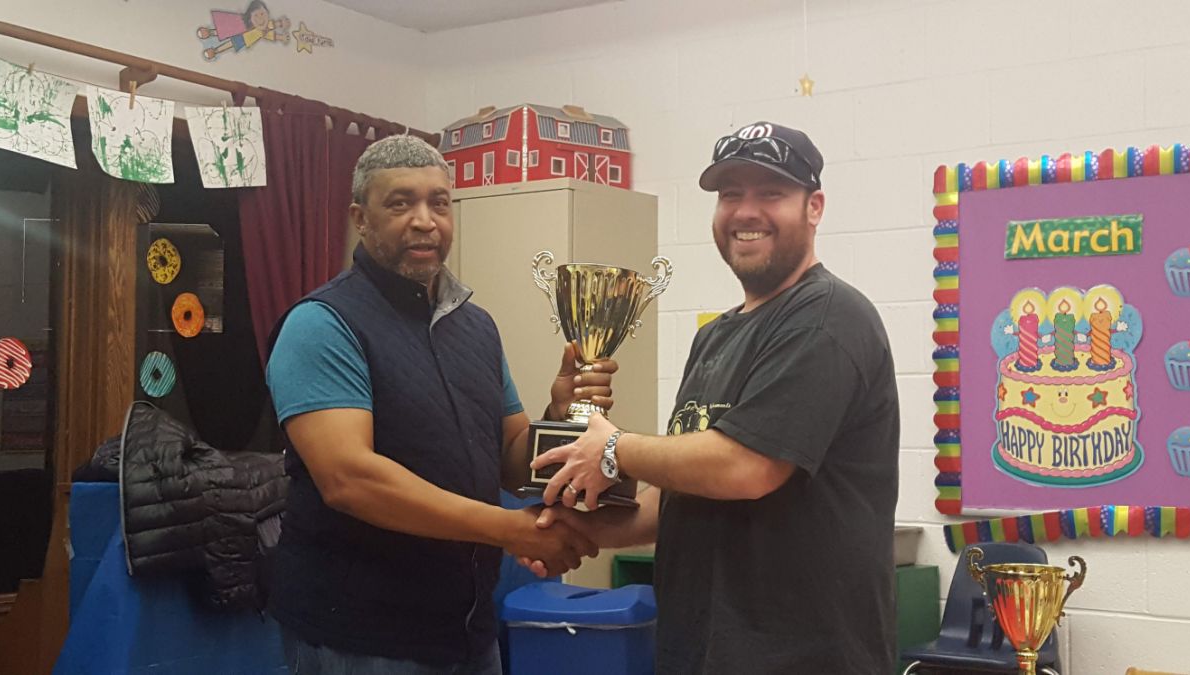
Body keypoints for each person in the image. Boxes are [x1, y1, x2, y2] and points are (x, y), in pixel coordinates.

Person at [528, 122, 900, 674]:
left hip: (801, 659)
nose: (746, 211)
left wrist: (612, 447)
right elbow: (683, 491)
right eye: (730, 194)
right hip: (699, 650)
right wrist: (579, 530)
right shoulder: (716, 337)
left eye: (770, 192)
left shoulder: (827, 318)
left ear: (814, 207)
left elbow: (747, 467)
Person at [265, 134, 613, 673]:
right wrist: (508, 528)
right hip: (359, 641)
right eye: (400, 203)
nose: (425, 221)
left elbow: (510, 457)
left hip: (468, 634)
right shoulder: (322, 325)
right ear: (360, 219)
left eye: (439, 203)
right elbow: (350, 480)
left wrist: (559, 413)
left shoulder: (475, 327)